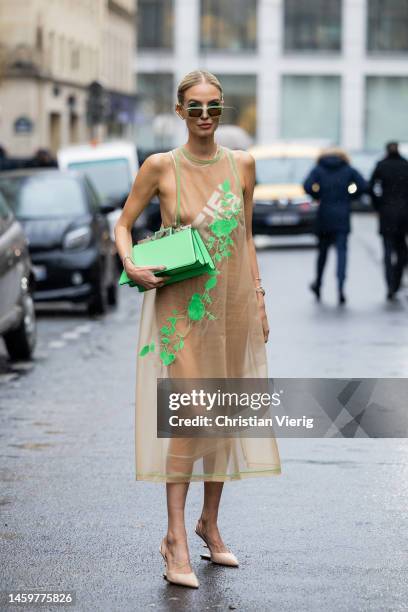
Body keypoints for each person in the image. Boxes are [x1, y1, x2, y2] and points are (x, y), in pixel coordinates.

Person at [114, 70, 281, 588]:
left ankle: (208, 522)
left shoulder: (244, 165)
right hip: (182, 309)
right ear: (180, 111)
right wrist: (132, 264)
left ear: (222, 109)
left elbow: (247, 237)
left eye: (214, 107)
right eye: (196, 107)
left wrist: (258, 297)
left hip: (231, 306)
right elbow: (123, 225)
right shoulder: (160, 166)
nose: (206, 116)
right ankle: (174, 537)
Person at [303, 147, 368, 305]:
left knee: (322, 253)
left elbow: (307, 185)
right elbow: (364, 186)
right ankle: (340, 287)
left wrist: (318, 195)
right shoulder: (348, 169)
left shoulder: (318, 169)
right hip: (342, 215)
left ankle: (318, 283)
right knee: (342, 253)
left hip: (324, 214)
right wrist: (350, 195)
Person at [368, 142, 408, 301]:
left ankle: (390, 284)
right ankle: (396, 282)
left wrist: (378, 204)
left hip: (386, 213)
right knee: (401, 251)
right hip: (404, 215)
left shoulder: (381, 166)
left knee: (387, 251)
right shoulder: (405, 165)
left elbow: (370, 187)